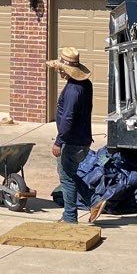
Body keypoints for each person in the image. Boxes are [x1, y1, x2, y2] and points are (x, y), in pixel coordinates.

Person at [47, 47, 97, 223]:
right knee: (71, 174)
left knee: (67, 178)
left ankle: (69, 217)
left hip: (72, 141)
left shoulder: (73, 90)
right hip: (83, 139)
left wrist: (59, 142)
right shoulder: (85, 85)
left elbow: (68, 117)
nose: (59, 72)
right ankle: (95, 200)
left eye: (61, 69)